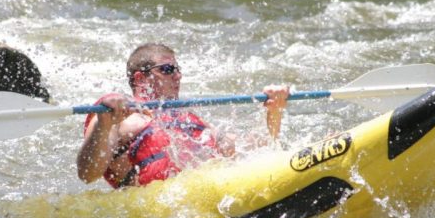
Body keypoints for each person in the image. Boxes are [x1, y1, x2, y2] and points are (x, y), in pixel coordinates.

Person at [77, 43, 289, 188]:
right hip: (156, 210)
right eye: (168, 69)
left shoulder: (187, 120)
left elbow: (250, 150)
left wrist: (274, 111)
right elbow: (88, 174)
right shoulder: (116, 116)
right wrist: (103, 125)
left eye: (178, 69)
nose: (178, 75)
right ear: (141, 78)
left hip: (207, 194)